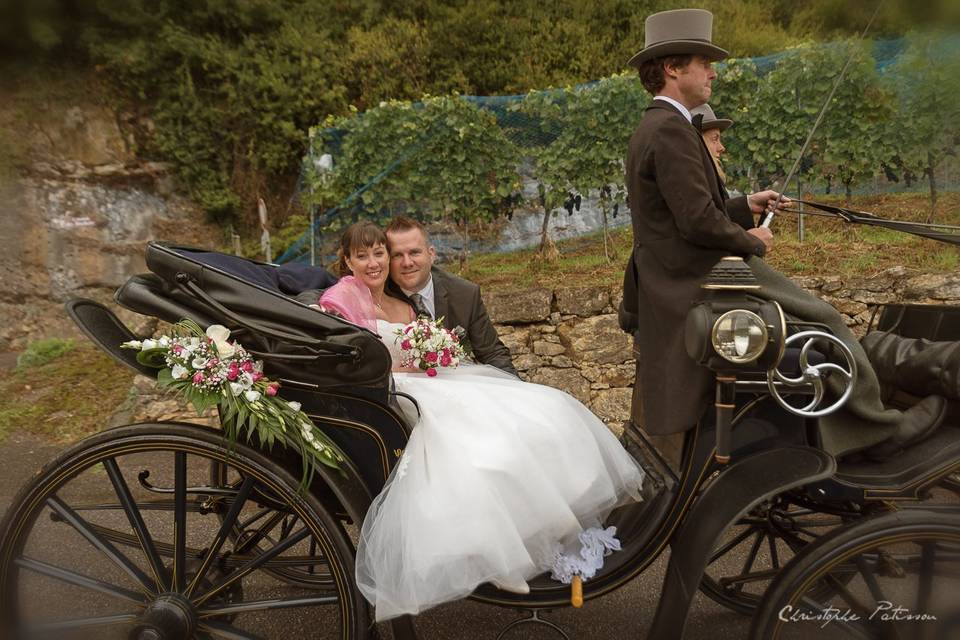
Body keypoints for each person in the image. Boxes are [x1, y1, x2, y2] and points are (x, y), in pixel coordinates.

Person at [623, 8, 946, 460]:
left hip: (678, 275)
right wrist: (752, 240)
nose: (713, 73)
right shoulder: (673, 130)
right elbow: (696, 222)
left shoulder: (654, 126)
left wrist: (743, 206)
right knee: (826, 322)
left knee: (816, 322)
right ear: (674, 68)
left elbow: (681, 211)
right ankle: (878, 431)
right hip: (697, 277)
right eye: (705, 63)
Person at [320, 221, 645, 621]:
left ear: (431, 253)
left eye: (392, 254)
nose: (388, 262)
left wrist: (514, 395)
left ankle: (545, 531)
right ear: (347, 260)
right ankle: (500, 557)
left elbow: (491, 351)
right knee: (479, 452)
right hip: (400, 394)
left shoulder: (434, 296)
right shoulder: (348, 298)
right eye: (373, 254)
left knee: (544, 413)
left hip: (443, 380)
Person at [384, 215, 518, 376]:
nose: (407, 262)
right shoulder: (379, 295)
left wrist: (518, 389)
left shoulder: (464, 294)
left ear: (431, 254)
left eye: (414, 252)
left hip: (455, 384)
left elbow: (492, 352)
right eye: (397, 255)